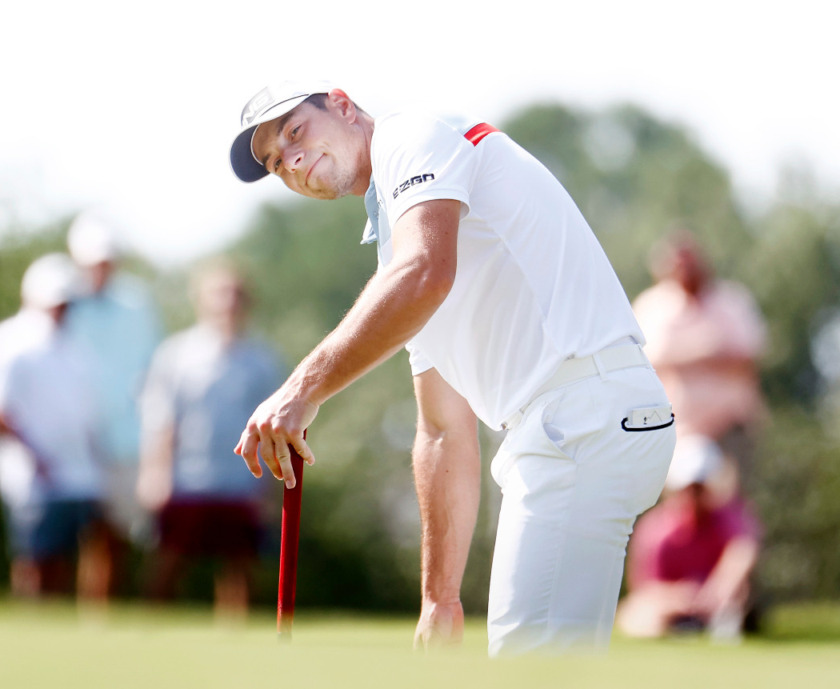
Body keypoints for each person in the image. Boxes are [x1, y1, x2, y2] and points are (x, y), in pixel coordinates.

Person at [229, 82, 677, 655]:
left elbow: (424, 274)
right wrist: (439, 596)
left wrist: (299, 391)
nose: (290, 161)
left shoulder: (411, 137)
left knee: (528, 662)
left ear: (342, 105)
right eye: (275, 162)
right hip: (571, 423)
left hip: (580, 412)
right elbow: (441, 427)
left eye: (294, 132)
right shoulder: (396, 247)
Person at [137, 258, 282, 619]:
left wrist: (273, 489)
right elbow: (161, 419)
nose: (227, 302)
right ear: (200, 299)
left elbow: (275, 429)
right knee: (169, 564)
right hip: (187, 480)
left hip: (243, 483)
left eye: (234, 294)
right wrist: (155, 474)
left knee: (241, 568)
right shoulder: (176, 354)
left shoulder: (262, 360)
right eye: (219, 293)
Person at [0, 254, 107, 601]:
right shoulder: (8, 341)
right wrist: (33, 455)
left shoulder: (76, 345)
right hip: (32, 477)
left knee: (68, 559)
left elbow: (86, 415)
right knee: (34, 559)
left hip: (79, 473)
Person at [64, 212, 163, 592]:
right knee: (83, 535)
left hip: (127, 437)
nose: (101, 269)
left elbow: (151, 371)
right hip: (75, 439)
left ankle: (104, 622)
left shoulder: (136, 303)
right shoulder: (62, 301)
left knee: (117, 534)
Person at [632, 230, 766, 495]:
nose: (685, 271)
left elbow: (749, 357)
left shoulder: (731, 301)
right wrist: (704, 352)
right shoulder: (651, 307)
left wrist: (684, 358)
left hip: (727, 428)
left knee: (731, 508)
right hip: (673, 431)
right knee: (678, 512)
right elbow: (638, 365)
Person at [617, 435, 761, 641]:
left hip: (718, 604)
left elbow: (742, 554)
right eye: (687, 489)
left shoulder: (728, 518)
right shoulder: (655, 531)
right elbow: (644, 587)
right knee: (638, 612)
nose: (693, 498)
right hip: (670, 606)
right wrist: (679, 597)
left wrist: (716, 592)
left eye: (699, 488)